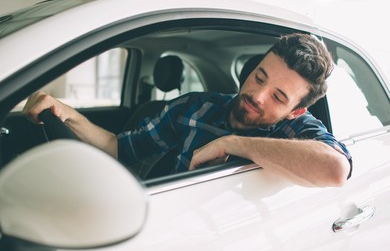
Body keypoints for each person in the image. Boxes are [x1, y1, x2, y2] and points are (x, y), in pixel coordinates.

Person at [23, 33, 352, 187]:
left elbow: (336, 169)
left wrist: (234, 143)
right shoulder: (195, 107)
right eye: (259, 76)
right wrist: (67, 113)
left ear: (296, 111)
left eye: (279, 97)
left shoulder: (295, 130)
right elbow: (119, 148)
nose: (258, 95)